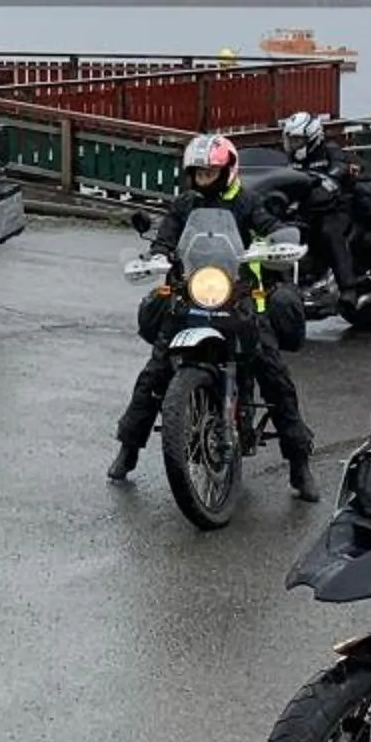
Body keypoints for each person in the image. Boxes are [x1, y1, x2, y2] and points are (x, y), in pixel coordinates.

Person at [109, 133, 317, 499]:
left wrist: (278, 242)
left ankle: (300, 466)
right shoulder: (185, 204)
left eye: (210, 172)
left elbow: (269, 226)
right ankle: (128, 449)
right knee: (154, 372)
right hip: (190, 295)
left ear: (226, 170)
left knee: (275, 379)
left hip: (239, 298)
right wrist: (158, 255)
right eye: (198, 172)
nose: (203, 178)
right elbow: (167, 237)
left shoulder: (248, 202)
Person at [276, 111, 363, 305]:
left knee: (329, 232)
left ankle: (348, 287)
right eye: (291, 139)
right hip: (305, 210)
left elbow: (339, 169)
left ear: (313, 138)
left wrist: (327, 182)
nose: (293, 144)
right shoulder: (289, 159)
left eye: (297, 140)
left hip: (336, 208)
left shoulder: (330, 152)